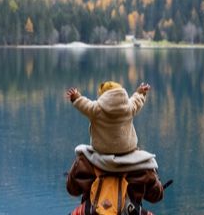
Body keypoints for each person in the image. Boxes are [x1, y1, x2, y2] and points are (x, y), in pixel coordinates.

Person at [65, 82, 164, 214]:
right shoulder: (142, 168)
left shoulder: (84, 164)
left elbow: (72, 189)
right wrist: (141, 92)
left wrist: (75, 97)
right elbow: (156, 196)